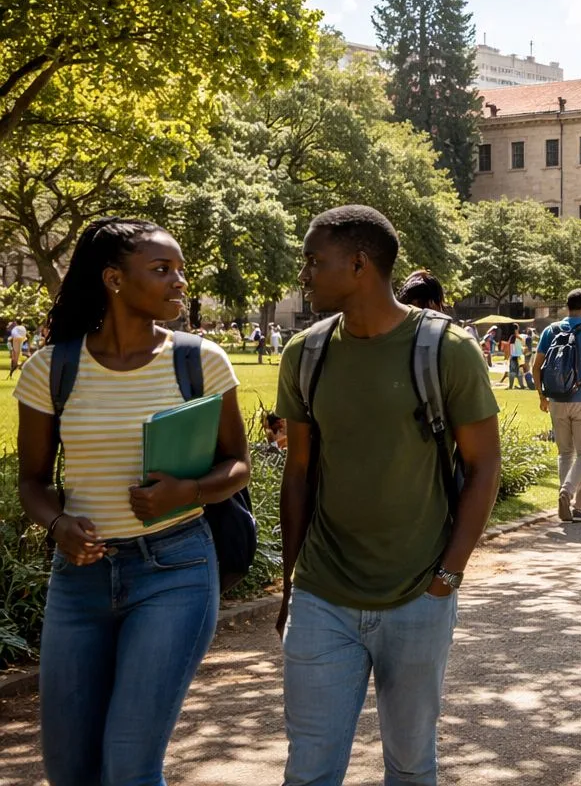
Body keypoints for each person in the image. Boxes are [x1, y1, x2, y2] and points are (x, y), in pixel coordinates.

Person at [13, 217, 250, 785]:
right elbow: (33, 482)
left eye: (181, 271)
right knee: (70, 770)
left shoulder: (200, 360)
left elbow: (238, 466)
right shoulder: (52, 368)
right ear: (115, 279)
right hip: (79, 580)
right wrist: (58, 524)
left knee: (128, 763)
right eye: (162, 270)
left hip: (175, 569)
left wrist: (187, 492)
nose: (179, 282)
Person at [275, 206, 500, 785]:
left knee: (409, 764)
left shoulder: (445, 349)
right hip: (323, 594)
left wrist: (446, 579)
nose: (306, 274)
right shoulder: (305, 354)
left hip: (416, 595)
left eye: (315, 261)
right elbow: (297, 472)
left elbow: (483, 467)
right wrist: (290, 584)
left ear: (358, 264)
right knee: (308, 771)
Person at [533, 289, 581, 524]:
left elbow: (536, 366)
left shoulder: (550, 330)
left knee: (566, 453)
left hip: (557, 400)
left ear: (567, 307)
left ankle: (576, 508)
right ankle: (568, 495)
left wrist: (541, 396)